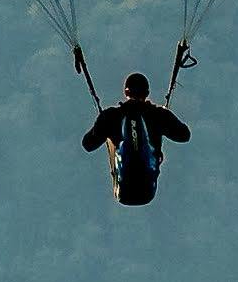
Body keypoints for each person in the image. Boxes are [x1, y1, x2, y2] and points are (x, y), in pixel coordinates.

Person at [75, 42, 194, 206]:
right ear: (147, 93)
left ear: (126, 92)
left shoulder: (111, 116)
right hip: (146, 190)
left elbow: (87, 145)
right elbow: (184, 135)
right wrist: (166, 118)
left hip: (125, 190)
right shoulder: (158, 115)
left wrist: (100, 125)